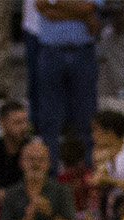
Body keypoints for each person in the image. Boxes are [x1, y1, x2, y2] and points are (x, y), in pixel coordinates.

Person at [31, 0, 100, 158]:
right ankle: (51, 172)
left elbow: (90, 6)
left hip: (83, 52)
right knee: (50, 118)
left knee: (87, 117)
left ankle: (88, 170)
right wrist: (83, 15)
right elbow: (42, 5)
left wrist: (58, 5)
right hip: (51, 52)